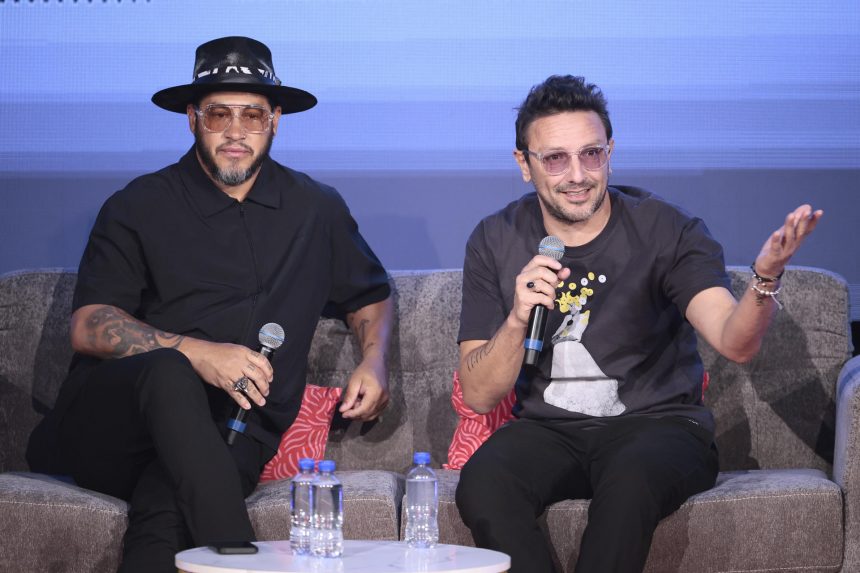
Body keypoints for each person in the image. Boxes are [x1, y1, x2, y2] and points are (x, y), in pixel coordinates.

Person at [26, 36, 393, 573]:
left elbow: (370, 295)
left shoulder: (316, 209)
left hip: (235, 430)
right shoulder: (139, 204)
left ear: (275, 121)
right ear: (193, 119)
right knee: (170, 372)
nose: (236, 131)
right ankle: (244, 559)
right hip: (115, 426)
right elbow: (89, 325)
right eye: (220, 114)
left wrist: (374, 361)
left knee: (166, 510)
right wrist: (199, 353)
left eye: (253, 115)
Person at [453, 75, 822, 573]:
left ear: (610, 152)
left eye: (592, 154)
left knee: (630, 482)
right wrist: (519, 319)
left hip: (659, 426)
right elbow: (479, 395)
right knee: (484, 483)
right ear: (524, 164)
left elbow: (734, 341)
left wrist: (765, 278)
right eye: (555, 158)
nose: (578, 175)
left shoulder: (666, 230)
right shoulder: (494, 239)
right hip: (548, 430)